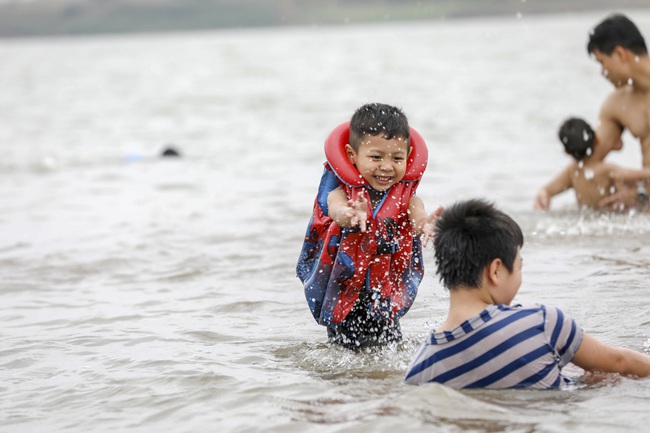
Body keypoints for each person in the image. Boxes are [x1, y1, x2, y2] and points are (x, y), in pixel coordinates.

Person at [404, 199, 650, 389]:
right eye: (519, 267)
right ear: (496, 270)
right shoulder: (541, 324)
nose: (520, 276)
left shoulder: (420, 369)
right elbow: (620, 363)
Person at [296, 103, 443, 350]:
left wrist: (426, 225)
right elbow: (335, 209)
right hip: (345, 292)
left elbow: (417, 219)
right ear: (352, 156)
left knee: (389, 344)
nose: (386, 166)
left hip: (383, 292)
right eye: (376, 157)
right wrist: (350, 213)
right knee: (344, 351)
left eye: (397, 158)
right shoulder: (341, 193)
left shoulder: (408, 199)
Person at [536, 13, 650, 210]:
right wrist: (547, 190)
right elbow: (587, 158)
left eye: (601, 62)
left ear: (621, 54)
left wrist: (640, 195)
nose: (602, 72)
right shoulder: (616, 104)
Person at [535, 117, 650, 211]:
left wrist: (543, 196)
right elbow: (643, 176)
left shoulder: (572, 172)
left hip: (586, 220)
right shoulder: (607, 169)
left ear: (566, 151)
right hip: (610, 220)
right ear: (596, 140)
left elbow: (546, 190)